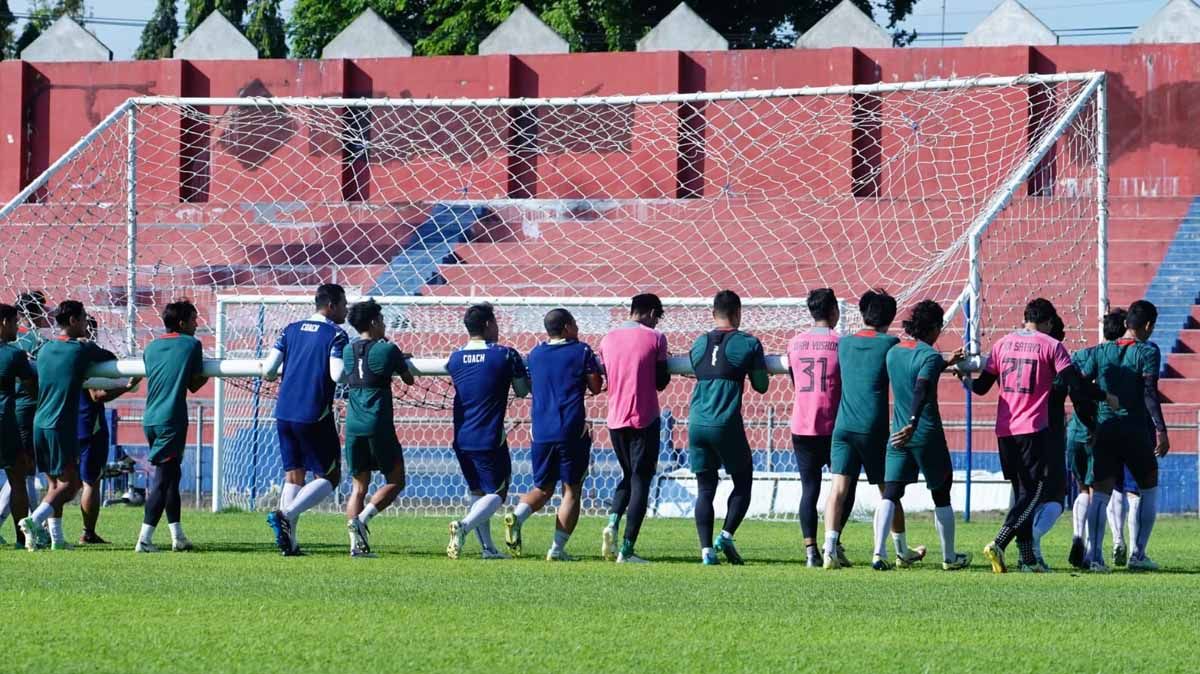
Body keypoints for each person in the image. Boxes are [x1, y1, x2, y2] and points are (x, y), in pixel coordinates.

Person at [967, 298, 1112, 573]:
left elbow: (981, 388)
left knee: (1020, 492)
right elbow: (1075, 386)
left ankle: (1028, 559)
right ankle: (999, 541)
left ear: (1025, 318)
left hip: (1004, 429)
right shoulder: (1051, 345)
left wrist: (962, 376)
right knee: (1034, 492)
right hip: (1032, 428)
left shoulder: (1001, 344)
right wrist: (1104, 396)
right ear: (1047, 322)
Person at [824, 289, 924, 570]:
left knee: (838, 490)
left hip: (843, 427)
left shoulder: (843, 344)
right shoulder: (890, 344)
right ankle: (902, 551)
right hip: (874, 428)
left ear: (862, 313)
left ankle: (829, 549)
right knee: (889, 491)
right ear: (890, 318)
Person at [1075, 300, 1168, 572]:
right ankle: (1138, 555)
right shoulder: (1148, 351)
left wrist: (1090, 418)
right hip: (1135, 430)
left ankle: (1095, 557)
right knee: (1147, 485)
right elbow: (1150, 393)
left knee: (1101, 493)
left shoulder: (1100, 351)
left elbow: (1079, 383)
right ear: (1148, 325)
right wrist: (1161, 430)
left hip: (1104, 429)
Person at [504, 309, 603, 561]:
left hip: (540, 430)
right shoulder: (581, 350)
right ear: (568, 327)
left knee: (542, 487)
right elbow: (596, 386)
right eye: (576, 324)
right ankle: (557, 550)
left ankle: (517, 516)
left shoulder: (535, 354)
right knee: (571, 490)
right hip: (570, 428)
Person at [18, 301, 117, 550]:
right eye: (84, 318)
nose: (86, 323)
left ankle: (57, 540)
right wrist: (88, 345)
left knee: (54, 485)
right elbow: (110, 359)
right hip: (61, 423)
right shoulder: (80, 350)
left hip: (39, 422)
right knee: (70, 485)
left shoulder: (46, 349)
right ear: (73, 321)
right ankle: (34, 520)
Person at [263, 283, 350, 556]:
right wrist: (355, 373)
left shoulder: (290, 329)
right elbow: (337, 375)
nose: (346, 310)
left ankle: (290, 543)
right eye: (344, 304)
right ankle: (285, 513)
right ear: (332, 305)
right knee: (331, 476)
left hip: (283, 412)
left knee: (294, 475)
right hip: (313, 413)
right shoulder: (336, 334)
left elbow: (268, 370)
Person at [884, 300, 971, 572]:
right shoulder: (930, 355)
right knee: (941, 491)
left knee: (891, 492)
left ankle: (882, 553)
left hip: (897, 433)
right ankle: (948, 557)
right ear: (934, 327)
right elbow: (921, 387)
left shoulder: (894, 351)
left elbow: (919, 371)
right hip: (925, 431)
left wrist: (946, 362)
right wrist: (913, 420)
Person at [688, 290, 769, 565]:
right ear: (738, 313)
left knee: (705, 489)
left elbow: (697, 367)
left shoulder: (698, 342)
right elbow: (761, 386)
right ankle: (726, 534)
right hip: (725, 422)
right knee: (743, 482)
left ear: (713, 314)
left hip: (696, 421)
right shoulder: (748, 343)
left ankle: (706, 552)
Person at [445, 303, 529, 560]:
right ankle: (464, 527)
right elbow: (523, 390)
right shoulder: (504, 355)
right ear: (488, 324)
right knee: (497, 494)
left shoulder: (455, 358)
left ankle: (488, 549)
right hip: (488, 435)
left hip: (461, 436)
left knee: (477, 493)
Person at [597, 293, 669, 563]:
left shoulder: (607, 339)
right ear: (651, 312)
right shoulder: (655, 337)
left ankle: (612, 523)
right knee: (641, 480)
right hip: (644, 418)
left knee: (627, 475)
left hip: (615, 418)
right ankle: (627, 549)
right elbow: (661, 380)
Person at [342, 300, 414, 558]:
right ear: (373, 322)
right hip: (378, 424)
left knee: (358, 487)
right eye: (382, 320)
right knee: (396, 480)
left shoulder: (348, 351)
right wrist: (399, 359)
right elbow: (409, 378)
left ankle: (355, 546)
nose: (384, 324)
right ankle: (362, 520)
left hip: (352, 424)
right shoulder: (388, 350)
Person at [136, 301, 207, 553]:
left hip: (151, 419)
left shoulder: (152, 346)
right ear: (182, 323)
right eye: (194, 320)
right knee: (163, 480)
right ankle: (144, 540)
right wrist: (209, 371)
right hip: (171, 420)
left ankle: (178, 537)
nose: (197, 324)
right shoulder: (191, 345)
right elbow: (194, 385)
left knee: (171, 476)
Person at [786, 288, 842, 567]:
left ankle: (810, 552)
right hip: (832, 425)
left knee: (809, 489)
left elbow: (794, 381)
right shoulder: (840, 343)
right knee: (842, 487)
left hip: (802, 424)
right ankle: (834, 542)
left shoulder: (794, 343)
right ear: (834, 311)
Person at [1066, 309, 1126, 569]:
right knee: (1102, 491)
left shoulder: (1082, 354)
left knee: (1082, 490)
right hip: (1101, 430)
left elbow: (1074, 384)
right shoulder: (1124, 356)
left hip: (1074, 430)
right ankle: (1095, 555)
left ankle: (1078, 536)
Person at [77, 316, 139, 545]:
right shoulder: (88, 358)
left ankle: (49, 527)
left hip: (61, 423)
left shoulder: (61, 353)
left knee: (62, 482)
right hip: (88, 425)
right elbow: (97, 395)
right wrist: (126, 387)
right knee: (90, 482)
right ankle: (88, 533)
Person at [6, 290, 51, 547]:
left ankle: (33, 525)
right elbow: (33, 383)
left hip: (19, 410)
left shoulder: (15, 343)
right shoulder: (35, 343)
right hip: (27, 411)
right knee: (22, 472)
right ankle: (32, 526)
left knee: (22, 472)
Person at [0, 304, 36, 547]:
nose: (17, 327)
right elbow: (32, 387)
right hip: (5, 423)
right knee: (17, 478)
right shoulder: (14, 354)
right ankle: (21, 538)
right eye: (14, 322)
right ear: (4, 323)